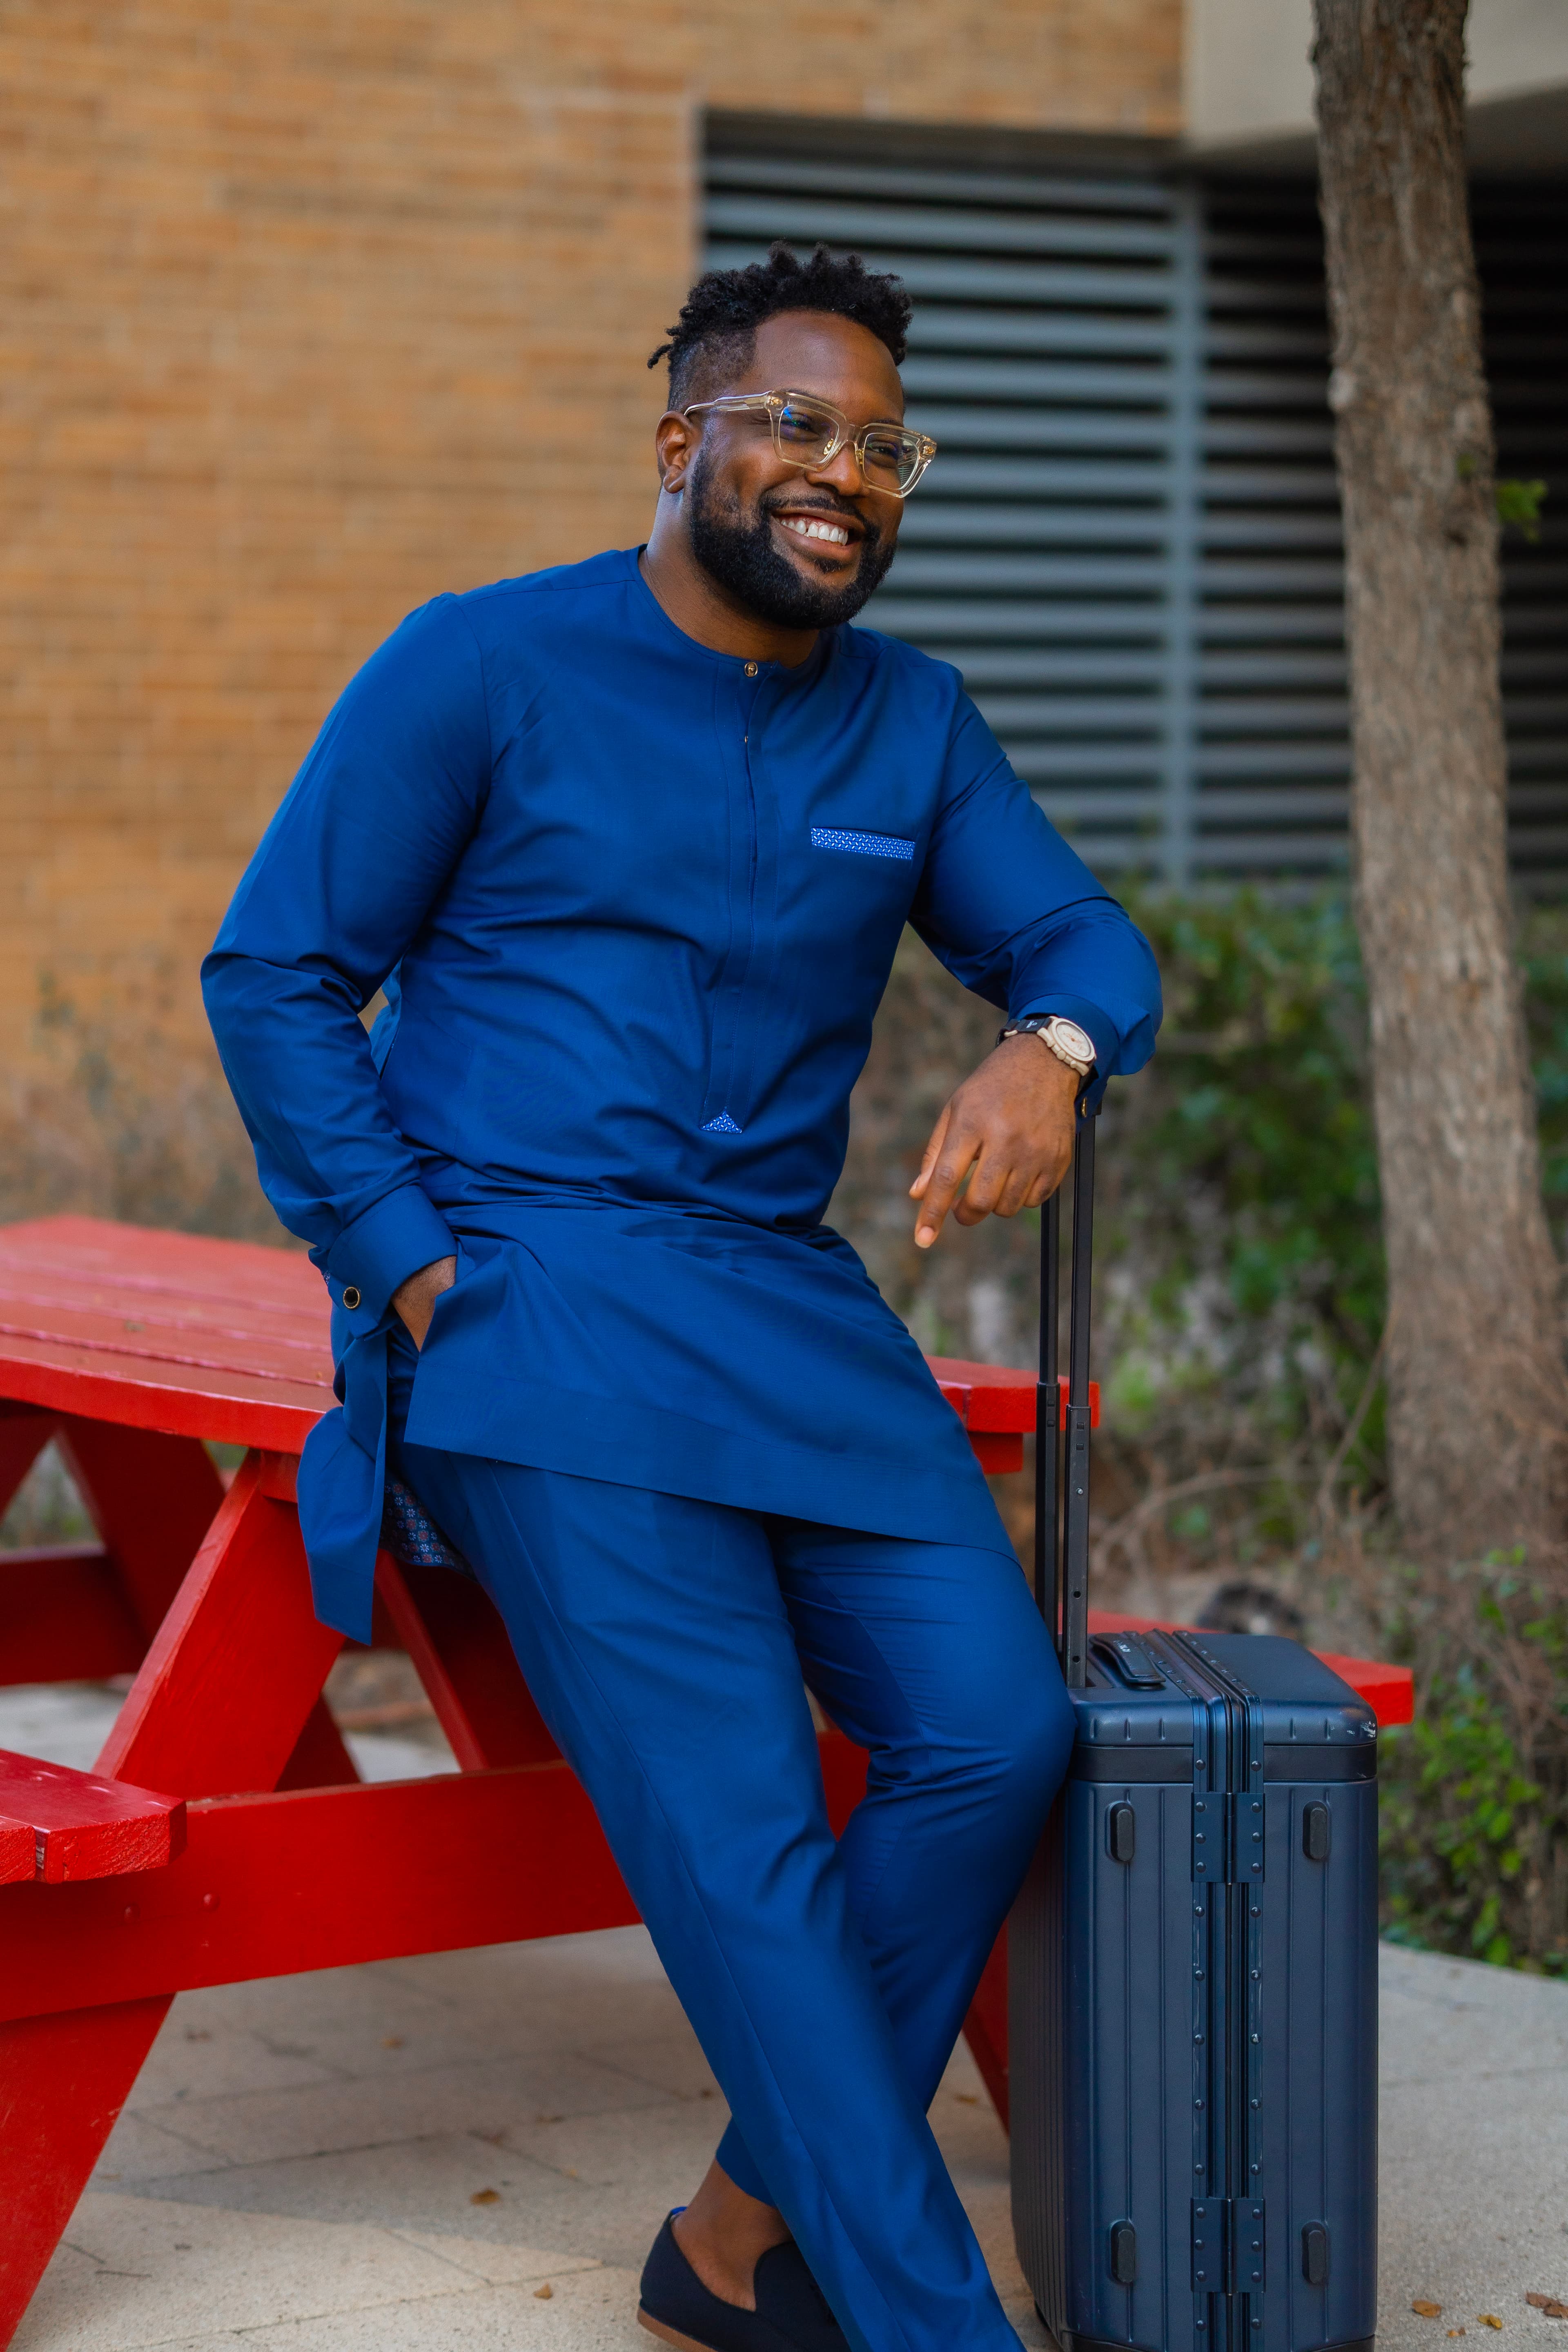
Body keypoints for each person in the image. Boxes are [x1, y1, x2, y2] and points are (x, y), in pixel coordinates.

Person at [203, 239, 1161, 2352]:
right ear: (683, 445)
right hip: (533, 1298)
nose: (849, 473)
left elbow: (1085, 942)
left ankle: (737, 2236)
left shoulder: (912, 722)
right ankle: (931, 2329)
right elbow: (276, 972)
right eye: (800, 427)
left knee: (991, 1734)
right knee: (745, 1855)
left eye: (888, 447)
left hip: (783, 1302)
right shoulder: (480, 665)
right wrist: (421, 1274)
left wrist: (1050, 1052)